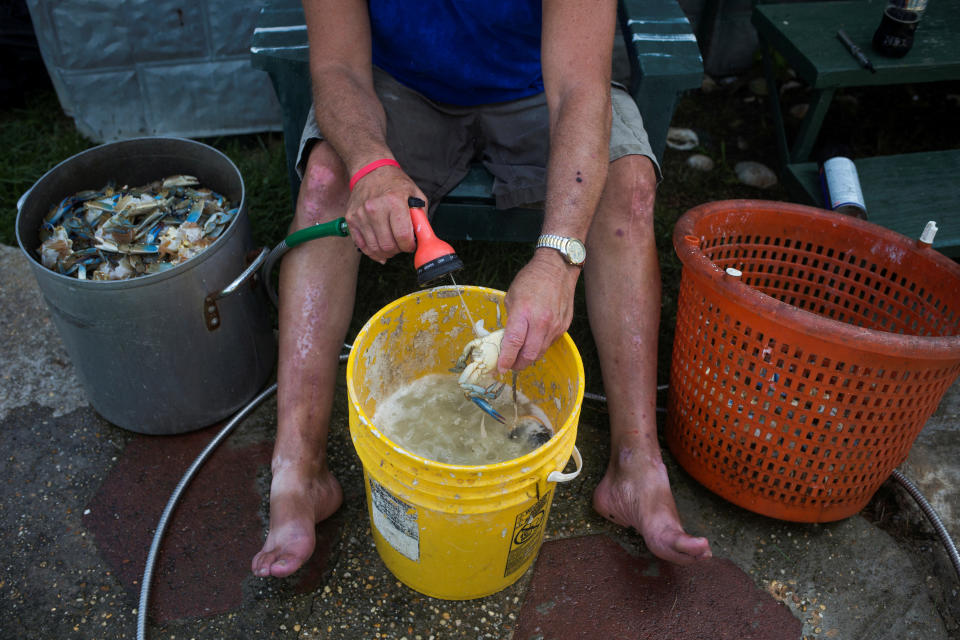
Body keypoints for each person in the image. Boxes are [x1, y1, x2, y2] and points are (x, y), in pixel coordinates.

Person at [251, 0, 712, 579]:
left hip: (541, 84)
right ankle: (299, 471)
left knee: (630, 189)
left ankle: (636, 465)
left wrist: (557, 259)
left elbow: (577, 88)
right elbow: (338, 67)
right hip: (397, 88)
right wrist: (370, 164)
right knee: (324, 184)